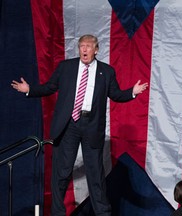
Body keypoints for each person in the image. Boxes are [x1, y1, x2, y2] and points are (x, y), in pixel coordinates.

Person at [11, 34, 148, 216]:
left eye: (88, 46)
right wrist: (30, 90)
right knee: (62, 172)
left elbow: (115, 94)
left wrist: (132, 92)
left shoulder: (106, 71)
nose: (84, 49)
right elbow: (50, 87)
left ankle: (102, 213)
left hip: (92, 125)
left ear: (96, 50)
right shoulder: (66, 67)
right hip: (69, 125)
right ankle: (58, 213)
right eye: (82, 46)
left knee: (95, 174)